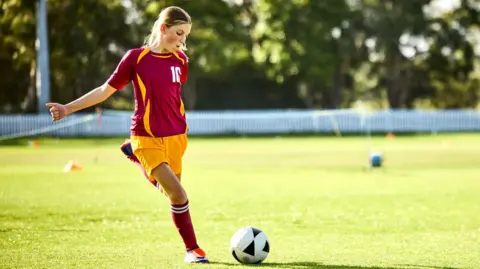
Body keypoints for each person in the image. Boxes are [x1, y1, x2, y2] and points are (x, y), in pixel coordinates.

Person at [46, 6, 209, 264]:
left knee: (170, 194)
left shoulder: (181, 61)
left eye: (186, 36)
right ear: (163, 28)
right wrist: (68, 108)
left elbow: (172, 98)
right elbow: (104, 90)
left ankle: (135, 158)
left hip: (177, 137)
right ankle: (193, 249)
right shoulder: (136, 58)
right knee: (179, 194)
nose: (182, 41)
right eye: (178, 33)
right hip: (145, 137)